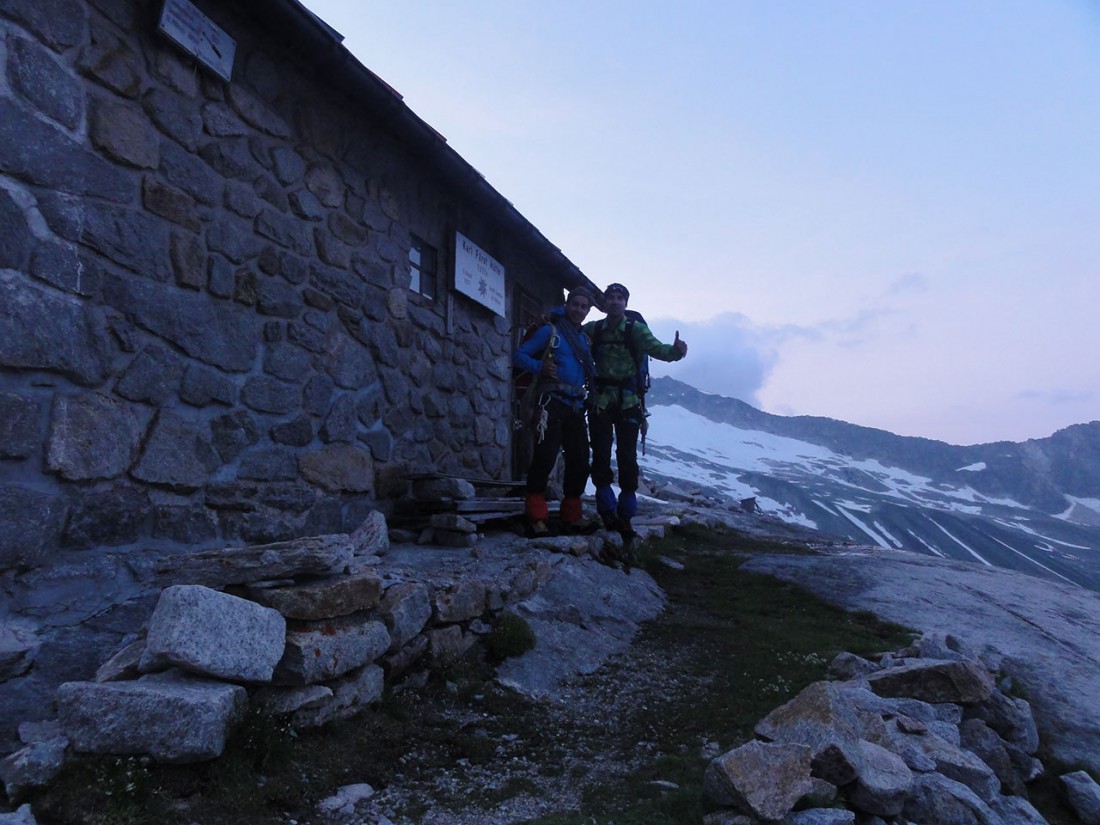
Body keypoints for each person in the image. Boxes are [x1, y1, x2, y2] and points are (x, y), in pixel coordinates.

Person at [585, 282, 687, 539]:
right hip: (602, 400)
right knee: (600, 452)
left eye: (620, 298)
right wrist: (552, 318)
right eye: (611, 298)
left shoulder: (637, 331)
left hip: (628, 401)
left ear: (626, 303)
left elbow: (658, 349)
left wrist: (676, 352)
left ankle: (625, 514)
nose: (616, 302)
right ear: (605, 303)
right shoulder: (594, 329)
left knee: (627, 457)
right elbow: (571, 332)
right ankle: (608, 510)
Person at [513, 287, 598, 537]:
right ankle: (535, 517)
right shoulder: (550, 331)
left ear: (588, 310)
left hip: (576, 406)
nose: (579, 310)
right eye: (575, 304)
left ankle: (571, 518)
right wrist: (539, 367)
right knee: (545, 459)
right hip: (552, 402)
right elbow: (519, 355)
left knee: (580, 462)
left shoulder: (584, 339)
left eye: (584, 307)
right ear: (567, 305)